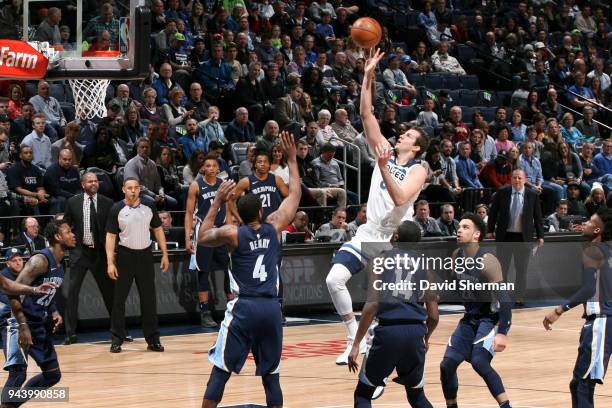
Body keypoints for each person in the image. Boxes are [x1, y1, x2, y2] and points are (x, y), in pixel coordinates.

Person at [326, 49, 429, 366]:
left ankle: (380, 367)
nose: (402, 134)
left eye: (409, 135)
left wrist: (383, 166)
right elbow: (366, 114)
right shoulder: (384, 148)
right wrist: (368, 75)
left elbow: (400, 199)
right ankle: (351, 334)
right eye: (404, 131)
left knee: (385, 305)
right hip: (369, 232)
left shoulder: (419, 169)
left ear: (416, 147)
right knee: (334, 280)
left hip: (393, 242)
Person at [198, 131, 301, 408]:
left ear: (239, 216)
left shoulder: (233, 234)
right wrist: (292, 159)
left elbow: (203, 235)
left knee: (221, 369)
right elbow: (294, 195)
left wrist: (218, 201)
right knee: (271, 375)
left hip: (244, 308)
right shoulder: (275, 226)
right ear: (262, 212)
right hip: (271, 308)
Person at [348, 220, 439, 407]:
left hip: (389, 332)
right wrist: (426, 338)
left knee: (364, 394)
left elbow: (372, 305)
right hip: (415, 333)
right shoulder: (425, 265)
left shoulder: (379, 260)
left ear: (396, 236)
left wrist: (356, 343)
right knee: (417, 396)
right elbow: (434, 316)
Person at [440, 212, 513, 408]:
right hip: (469, 319)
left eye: (465, 227)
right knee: (446, 365)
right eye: (459, 226)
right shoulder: (456, 256)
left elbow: (505, 301)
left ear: (476, 235)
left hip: (487, 319)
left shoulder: (488, 260)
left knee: (480, 362)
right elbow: (456, 287)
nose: (459, 230)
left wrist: (503, 333)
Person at [2, 220, 76, 406]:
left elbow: (45, 291)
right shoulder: (40, 260)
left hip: (36, 324)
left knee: (53, 375)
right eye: (68, 232)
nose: (73, 235)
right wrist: (22, 325)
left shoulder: (62, 263)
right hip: (17, 324)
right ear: (58, 237)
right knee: (18, 374)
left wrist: (53, 311)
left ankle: (11, 404)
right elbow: (12, 292)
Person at [543, 208, 612, 406]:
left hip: (601, 322)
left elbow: (589, 288)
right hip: (605, 322)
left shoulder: (592, 250)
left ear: (597, 230)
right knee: (580, 383)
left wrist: (559, 310)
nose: (585, 224)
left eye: (590, 222)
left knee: (582, 383)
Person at [106, 178, 170, 353]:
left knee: (149, 299)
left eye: (136, 188)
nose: (133, 191)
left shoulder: (149, 206)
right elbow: (111, 236)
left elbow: (157, 229)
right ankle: (117, 339)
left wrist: (165, 253)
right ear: (123, 190)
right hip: (125, 256)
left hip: (145, 256)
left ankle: (153, 339)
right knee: (119, 299)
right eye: (130, 188)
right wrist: (110, 262)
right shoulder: (116, 208)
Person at [62, 172, 115, 345]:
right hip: (80, 253)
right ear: (83, 184)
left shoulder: (107, 203)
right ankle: (70, 333)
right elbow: (66, 225)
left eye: (95, 181)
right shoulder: (73, 202)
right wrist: (67, 243)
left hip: (100, 254)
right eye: (90, 181)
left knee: (110, 294)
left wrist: (111, 255)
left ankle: (119, 330)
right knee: (72, 293)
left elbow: (112, 230)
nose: (94, 183)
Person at [184, 156, 231, 328]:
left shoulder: (224, 184)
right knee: (203, 272)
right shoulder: (196, 185)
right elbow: (189, 213)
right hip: (203, 230)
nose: (211, 168)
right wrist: (187, 236)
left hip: (221, 230)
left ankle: (232, 309)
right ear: (203, 168)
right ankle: (205, 312)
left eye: (214, 165)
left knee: (229, 270)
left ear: (218, 168)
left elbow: (230, 209)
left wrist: (231, 229)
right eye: (207, 166)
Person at [488, 169, 545, 305]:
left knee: (521, 269)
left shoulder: (532, 195)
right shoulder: (502, 192)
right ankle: (502, 296)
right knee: (502, 269)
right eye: (514, 177)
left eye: (519, 178)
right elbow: (493, 213)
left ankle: (520, 296)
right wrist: (490, 230)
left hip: (523, 238)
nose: (517, 180)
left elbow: (538, 217)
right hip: (505, 236)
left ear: (525, 180)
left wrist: (540, 235)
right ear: (511, 179)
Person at [231, 150, 288, 221]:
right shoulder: (246, 181)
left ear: (269, 164)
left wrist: (282, 212)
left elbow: (288, 197)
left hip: (274, 221)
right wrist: (240, 219)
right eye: (259, 162)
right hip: (255, 223)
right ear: (255, 164)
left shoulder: (277, 179)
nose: (262, 164)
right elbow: (230, 200)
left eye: (265, 161)